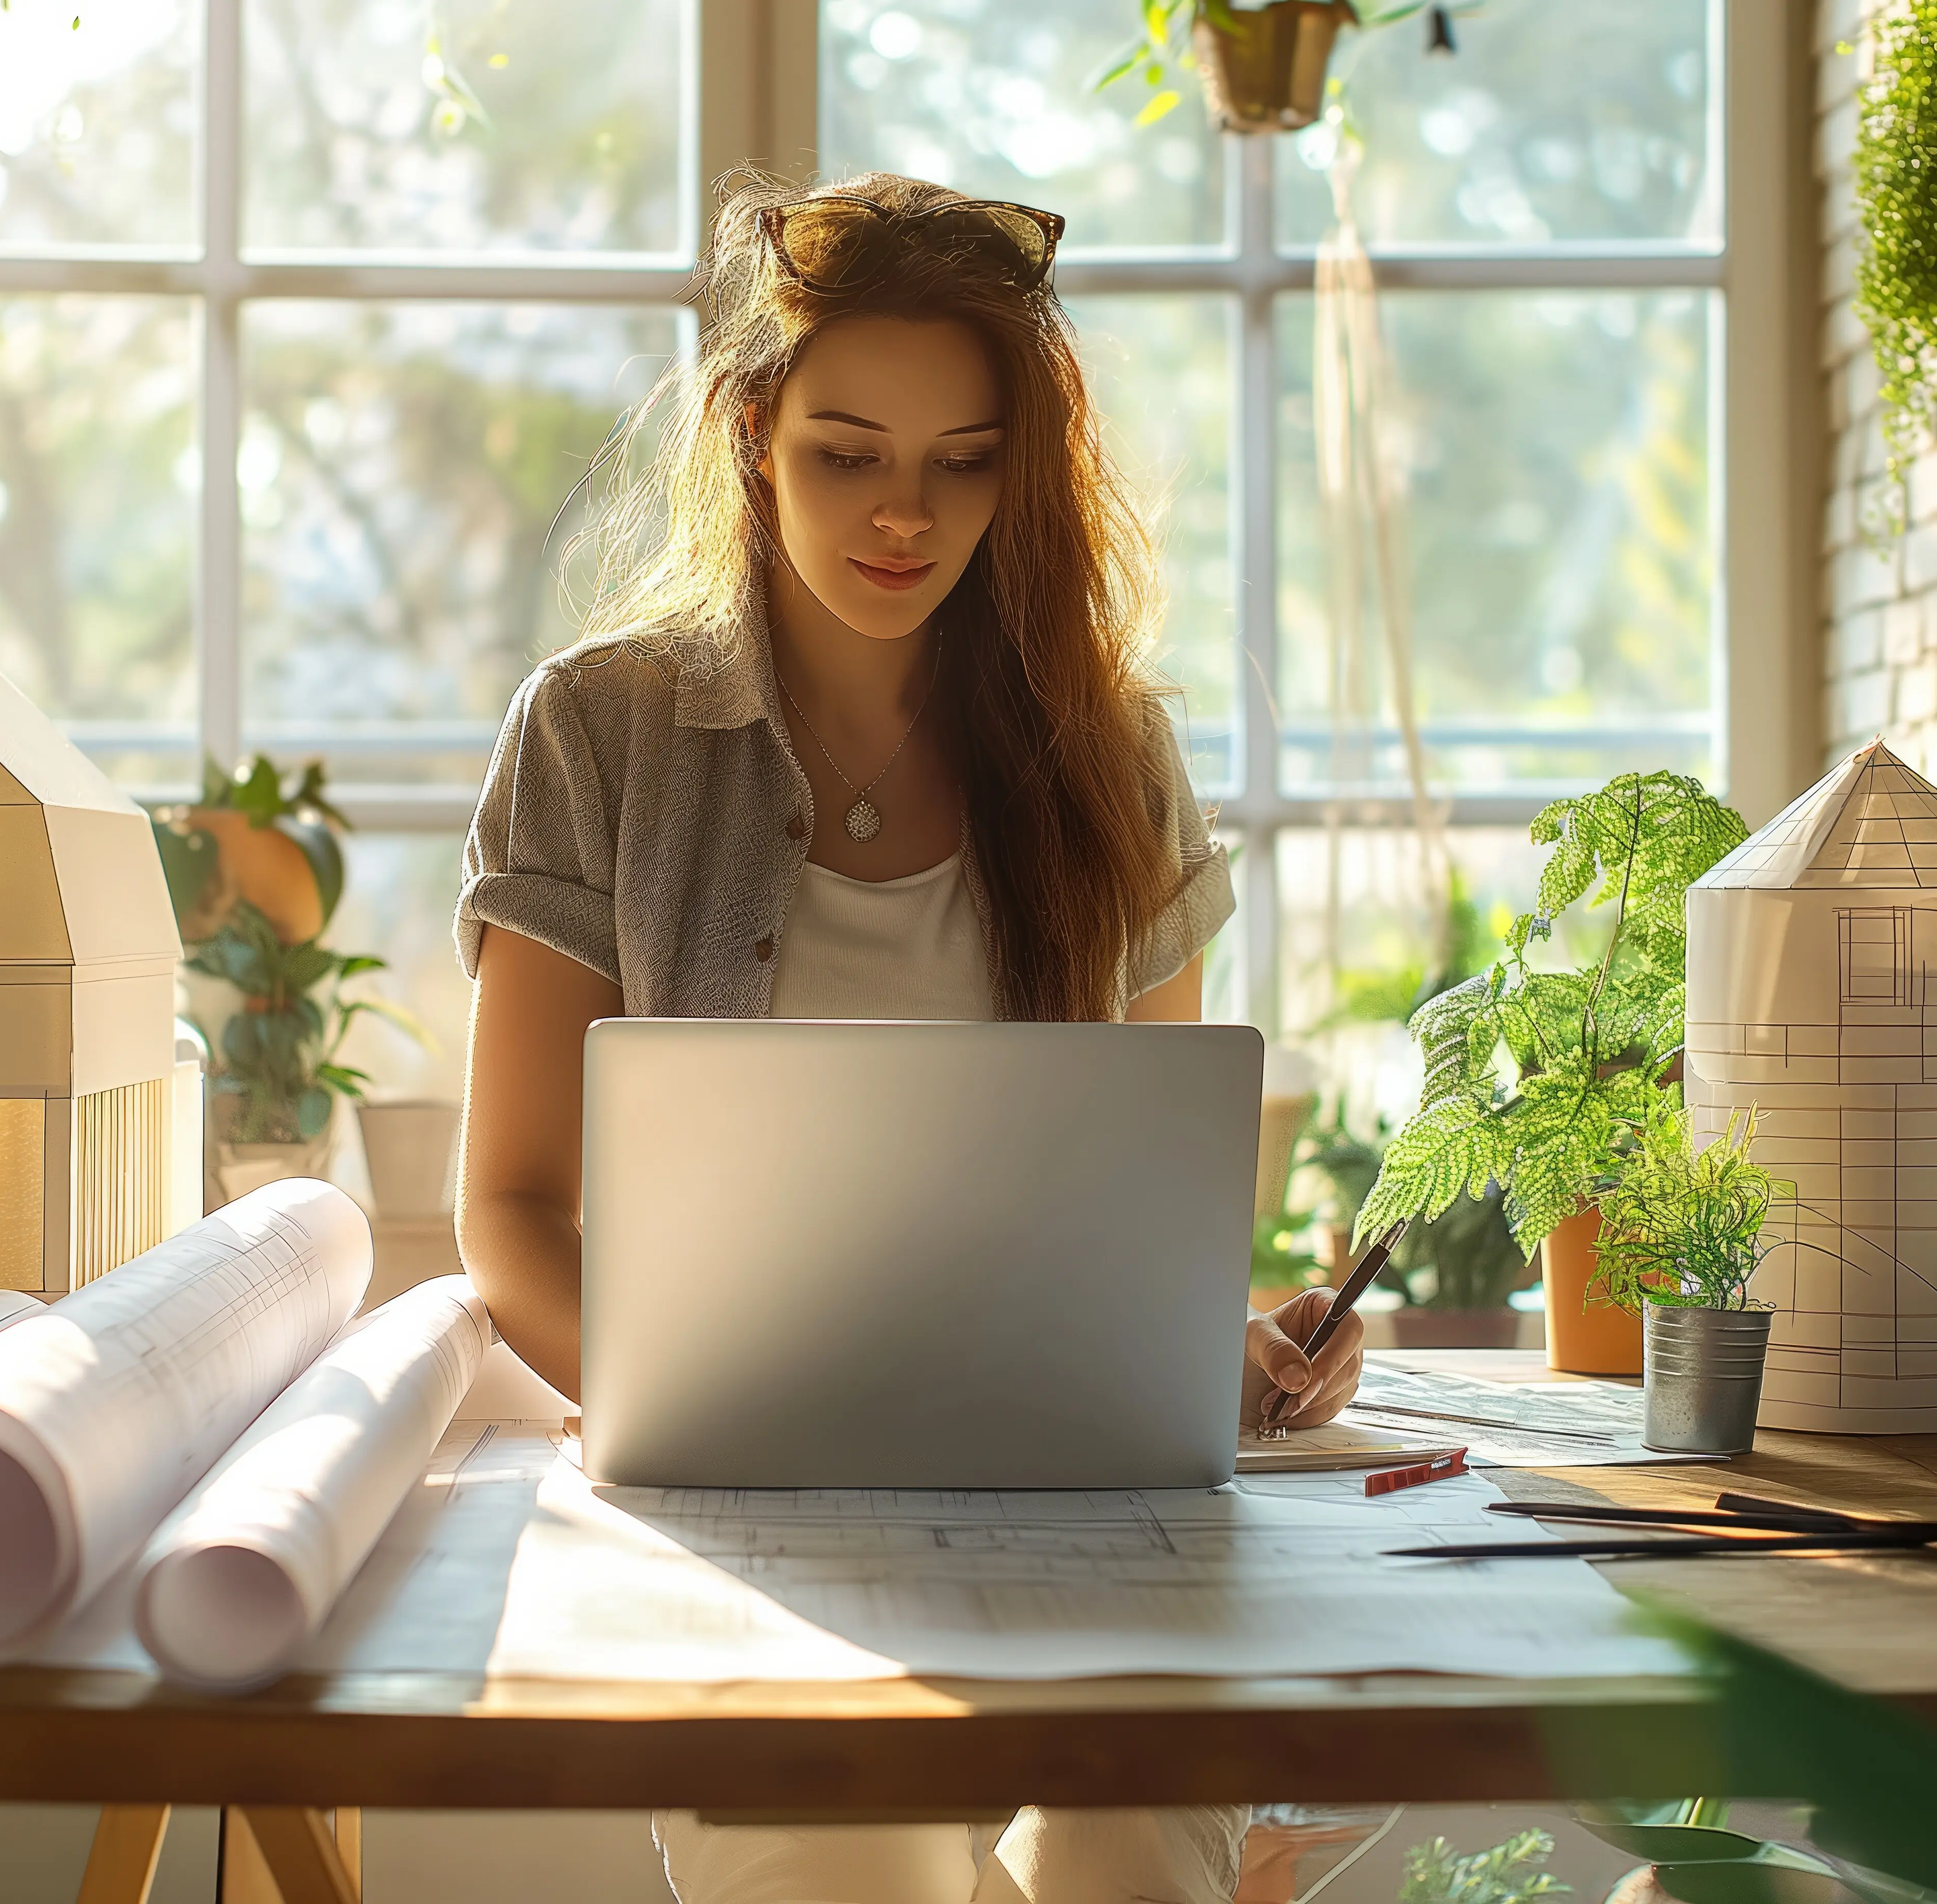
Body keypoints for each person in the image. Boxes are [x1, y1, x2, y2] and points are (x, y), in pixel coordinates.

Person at [451, 171, 1365, 1904]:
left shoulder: (1112, 751)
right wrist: (701, 1416)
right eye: (847, 452)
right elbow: (506, 1209)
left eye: (966, 460)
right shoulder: (603, 733)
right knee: (844, 1866)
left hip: (1087, 1532)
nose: (904, 515)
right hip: (751, 1538)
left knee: (1130, 1850)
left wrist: (1222, 1345)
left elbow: (1150, 1198)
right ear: (751, 433)